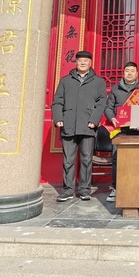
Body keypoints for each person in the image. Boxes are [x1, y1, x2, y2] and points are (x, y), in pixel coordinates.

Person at [51, 50, 107, 202]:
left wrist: (94, 120)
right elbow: (57, 101)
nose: (83, 63)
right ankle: (68, 190)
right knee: (68, 160)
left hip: (88, 126)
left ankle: (84, 190)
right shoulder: (65, 81)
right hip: (68, 124)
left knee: (86, 159)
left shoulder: (98, 82)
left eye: (85, 61)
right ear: (75, 63)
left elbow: (101, 102)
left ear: (90, 63)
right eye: (80, 60)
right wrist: (58, 118)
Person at [103, 61, 139, 203]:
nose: (129, 73)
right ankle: (116, 188)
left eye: (132, 71)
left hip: (135, 131)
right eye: (127, 71)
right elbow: (108, 107)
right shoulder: (115, 89)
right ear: (123, 73)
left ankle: (135, 186)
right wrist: (112, 118)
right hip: (118, 130)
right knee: (117, 159)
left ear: (137, 73)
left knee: (135, 159)